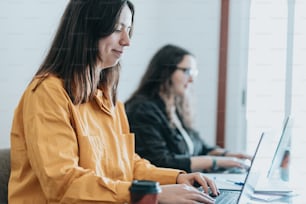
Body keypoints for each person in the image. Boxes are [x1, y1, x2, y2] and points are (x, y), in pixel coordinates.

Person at [8, 1, 218, 204]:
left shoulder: (108, 97)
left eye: (128, 29)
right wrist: (155, 193)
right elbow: (63, 184)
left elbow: (127, 164)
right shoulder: (47, 94)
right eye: (118, 29)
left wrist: (177, 178)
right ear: (88, 29)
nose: (127, 41)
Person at [125, 44, 252, 173]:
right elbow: (160, 161)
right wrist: (214, 161)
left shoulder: (173, 105)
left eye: (193, 73)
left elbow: (199, 146)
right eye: (187, 71)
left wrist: (230, 156)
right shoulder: (142, 109)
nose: (191, 79)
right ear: (165, 71)